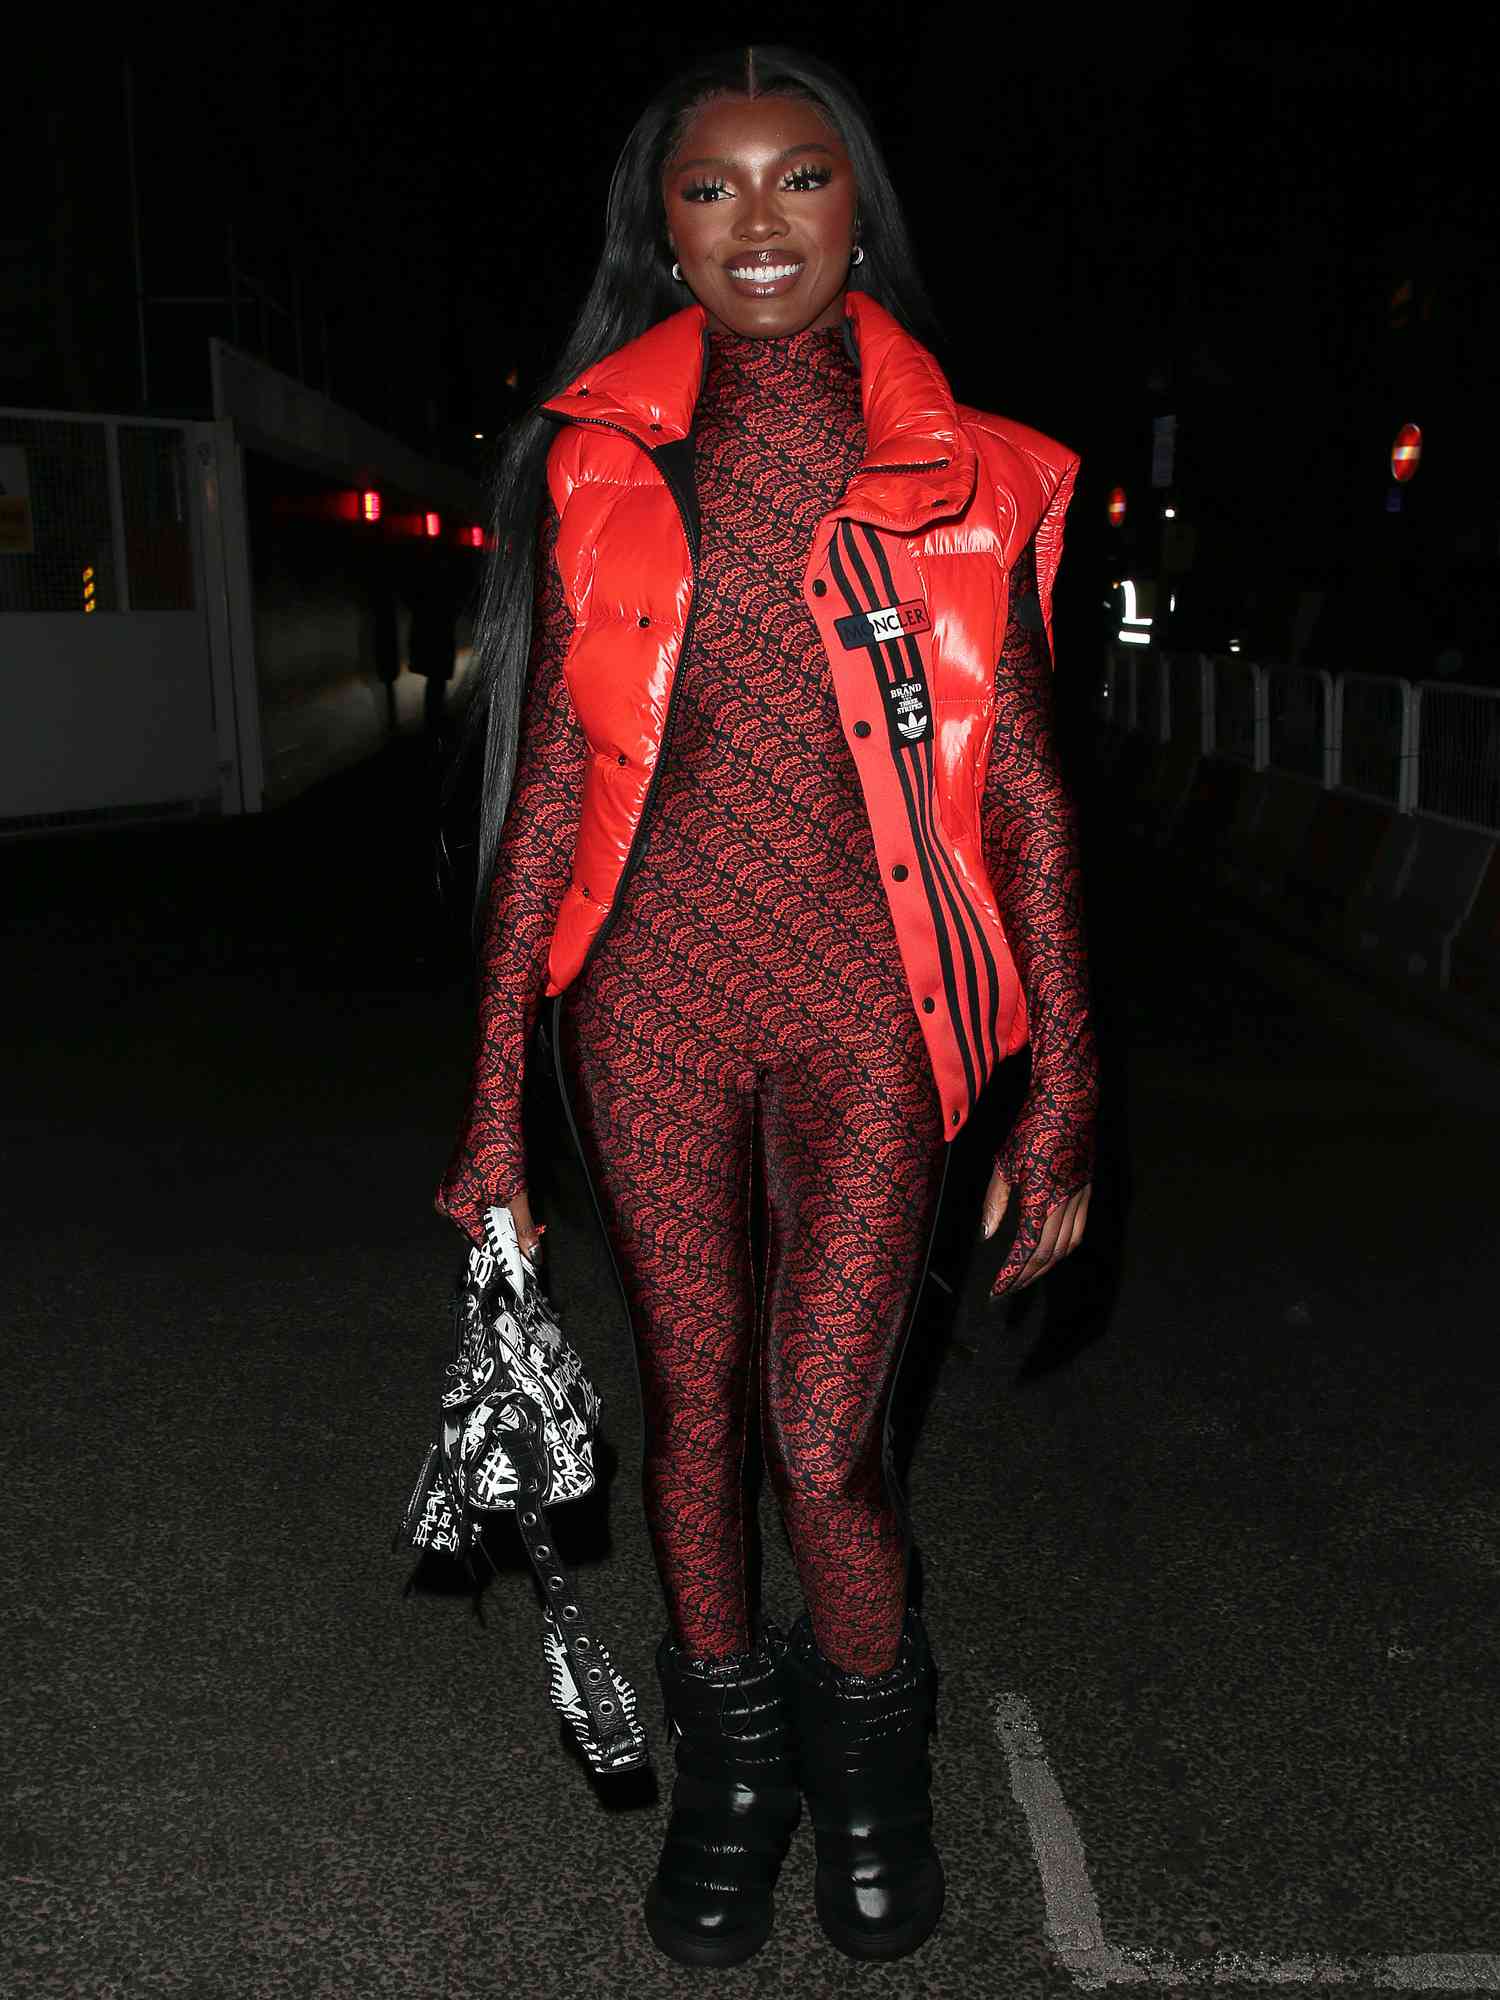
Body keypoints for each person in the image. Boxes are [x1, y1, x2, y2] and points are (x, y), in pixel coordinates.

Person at [436, 43, 1098, 1969]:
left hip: (877, 1002)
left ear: (855, 208)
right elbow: (551, 785)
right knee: (698, 1414)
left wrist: (1063, 1094)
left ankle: (872, 1782)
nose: (755, 224)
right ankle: (735, 1779)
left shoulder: (987, 474)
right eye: (709, 189)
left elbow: (1033, 791)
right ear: (660, 226)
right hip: (643, 996)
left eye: (797, 181)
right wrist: (490, 1096)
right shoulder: (594, 460)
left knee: (828, 1440)